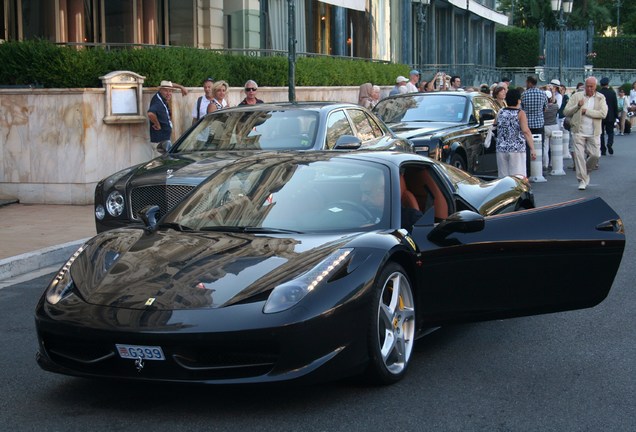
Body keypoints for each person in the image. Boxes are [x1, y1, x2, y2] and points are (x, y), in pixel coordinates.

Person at [563, 76, 608, 190]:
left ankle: (586, 172)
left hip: (594, 132)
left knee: (595, 155)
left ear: (595, 86)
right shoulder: (577, 96)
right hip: (578, 131)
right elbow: (566, 111)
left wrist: (586, 111)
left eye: (592, 86)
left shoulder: (600, 97)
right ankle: (582, 180)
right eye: (587, 86)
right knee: (579, 157)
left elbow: (603, 114)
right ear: (585, 86)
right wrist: (577, 106)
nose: (589, 89)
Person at [493, 88, 536, 178]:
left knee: (503, 177)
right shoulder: (520, 113)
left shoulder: (500, 112)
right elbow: (526, 131)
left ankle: (504, 192)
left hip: (501, 147)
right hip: (517, 149)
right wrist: (532, 148)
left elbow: (495, 126)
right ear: (518, 100)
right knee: (517, 177)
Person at [147, 80, 187, 151]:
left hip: (164, 139)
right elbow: (150, 113)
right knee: (162, 161)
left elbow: (169, 85)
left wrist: (181, 87)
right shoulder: (158, 102)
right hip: (160, 142)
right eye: (166, 91)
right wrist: (157, 124)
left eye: (170, 91)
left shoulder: (161, 97)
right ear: (160, 90)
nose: (169, 93)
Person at [521, 76, 547, 175]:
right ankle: (539, 168)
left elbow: (522, 109)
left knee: (528, 147)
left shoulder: (524, 94)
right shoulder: (542, 94)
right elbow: (545, 108)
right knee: (540, 146)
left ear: (530, 83)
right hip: (539, 123)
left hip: (527, 124)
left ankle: (528, 169)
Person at [598, 77, 618, 155]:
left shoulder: (599, 93)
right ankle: (610, 143)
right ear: (608, 84)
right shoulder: (612, 93)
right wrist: (616, 116)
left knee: (601, 133)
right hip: (610, 115)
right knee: (610, 132)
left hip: (601, 115)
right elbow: (615, 105)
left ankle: (603, 149)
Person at [543, 90, 560, 170]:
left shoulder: (543, 107)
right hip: (554, 126)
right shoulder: (555, 106)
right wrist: (553, 93)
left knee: (545, 147)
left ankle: (545, 164)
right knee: (554, 147)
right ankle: (553, 163)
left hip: (545, 126)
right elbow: (554, 101)